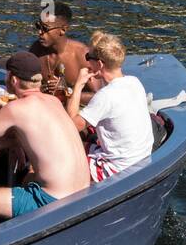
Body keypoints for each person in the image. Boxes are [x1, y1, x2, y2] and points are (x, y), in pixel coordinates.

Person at [0, 52, 89, 234]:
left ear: (13, 79)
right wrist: (17, 137)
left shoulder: (15, 109)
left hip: (51, 199)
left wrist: (7, 127)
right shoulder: (54, 101)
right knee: (27, 179)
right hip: (83, 194)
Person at [64, 32, 153, 182]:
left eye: (88, 58)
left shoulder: (106, 96)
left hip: (117, 169)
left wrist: (78, 85)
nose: (86, 63)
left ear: (99, 64)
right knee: (82, 142)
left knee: (57, 155)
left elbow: (71, 126)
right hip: (140, 159)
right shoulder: (134, 82)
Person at [28, 2, 90, 105]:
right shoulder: (36, 50)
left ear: (63, 30)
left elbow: (100, 95)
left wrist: (66, 93)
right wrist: (42, 89)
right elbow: (26, 86)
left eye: (45, 29)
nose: (39, 32)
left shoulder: (82, 54)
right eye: (38, 26)